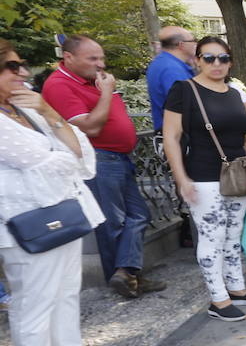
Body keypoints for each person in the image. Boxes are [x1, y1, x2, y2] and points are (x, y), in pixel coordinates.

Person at [0, 43, 124, 346]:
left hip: (63, 211)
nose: (22, 73)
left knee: (66, 291)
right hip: (26, 222)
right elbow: (45, 161)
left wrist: (50, 115)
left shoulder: (28, 110)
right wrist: (62, 147)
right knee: (34, 301)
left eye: (21, 65)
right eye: (11, 67)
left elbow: (82, 151)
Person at [42, 35, 166, 299]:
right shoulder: (59, 85)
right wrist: (108, 92)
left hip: (118, 158)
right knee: (113, 224)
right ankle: (124, 279)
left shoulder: (92, 81)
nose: (101, 64)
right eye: (93, 59)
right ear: (69, 58)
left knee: (139, 215)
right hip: (98, 159)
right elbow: (91, 126)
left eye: (102, 58)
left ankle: (127, 273)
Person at [161, 36, 246, 321]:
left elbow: (243, 135)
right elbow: (171, 137)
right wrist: (181, 178)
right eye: (209, 58)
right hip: (203, 174)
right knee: (213, 237)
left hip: (238, 174)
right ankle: (218, 299)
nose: (216, 64)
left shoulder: (233, 92)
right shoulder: (184, 90)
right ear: (197, 60)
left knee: (234, 235)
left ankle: (236, 288)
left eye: (223, 58)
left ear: (230, 62)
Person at [146, 25, 198, 133]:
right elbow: (187, 106)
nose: (195, 44)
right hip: (179, 135)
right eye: (192, 41)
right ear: (181, 45)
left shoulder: (161, 63)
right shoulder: (172, 69)